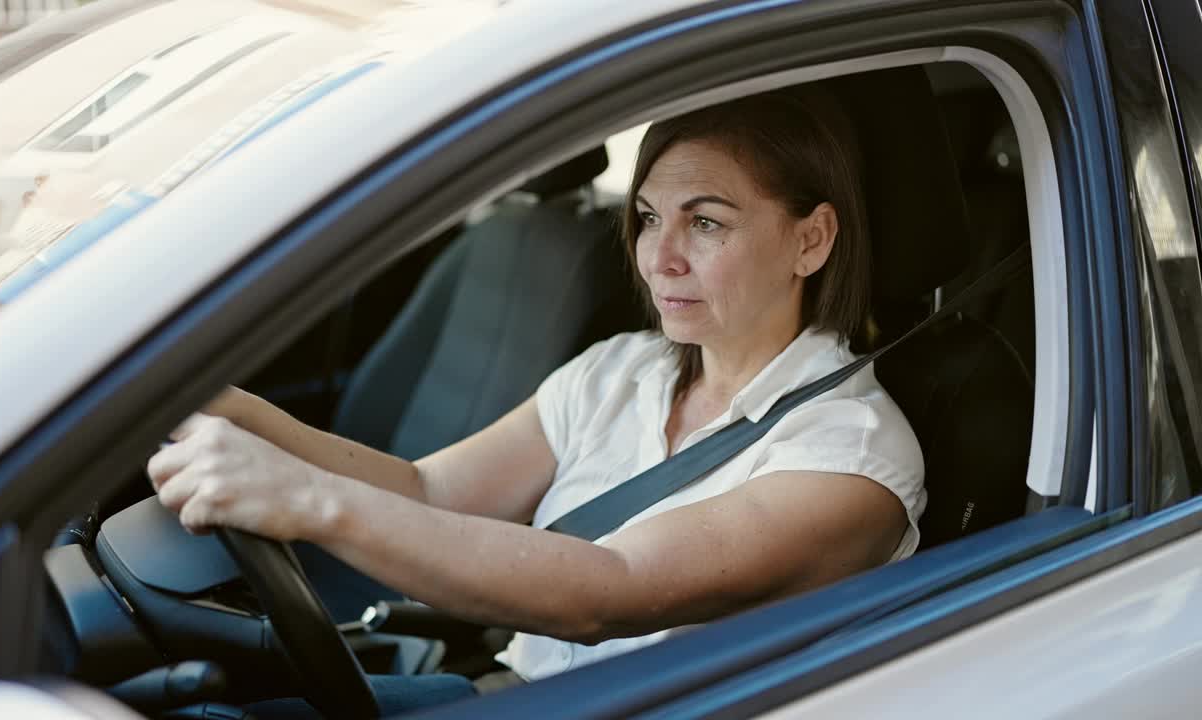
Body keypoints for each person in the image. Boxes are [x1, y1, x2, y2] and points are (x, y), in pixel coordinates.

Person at [147, 86, 925, 715]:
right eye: (649, 217)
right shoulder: (621, 370)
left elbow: (607, 590)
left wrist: (307, 499)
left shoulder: (850, 453)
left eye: (707, 224)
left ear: (811, 240)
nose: (660, 258)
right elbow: (431, 490)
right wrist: (237, 410)